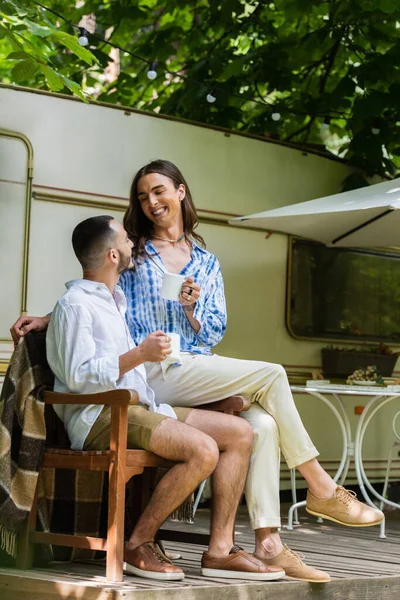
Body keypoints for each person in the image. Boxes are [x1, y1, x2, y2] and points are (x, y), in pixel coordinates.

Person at [11, 162, 384, 582]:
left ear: (181, 192)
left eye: (158, 191)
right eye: (142, 196)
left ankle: (260, 545)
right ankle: (320, 486)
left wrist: (191, 308)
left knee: (256, 425)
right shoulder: (135, 253)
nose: (150, 202)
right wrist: (49, 317)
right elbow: (95, 292)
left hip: (192, 367)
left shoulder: (206, 262)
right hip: (153, 371)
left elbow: (214, 329)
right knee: (273, 374)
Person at [44, 214, 284, 583]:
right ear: (112, 256)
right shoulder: (75, 304)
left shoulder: (114, 301)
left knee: (240, 433)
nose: (131, 245)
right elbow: (78, 377)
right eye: (125, 240)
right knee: (202, 450)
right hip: (102, 415)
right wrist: (139, 355)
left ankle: (219, 551)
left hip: (140, 408)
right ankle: (138, 543)